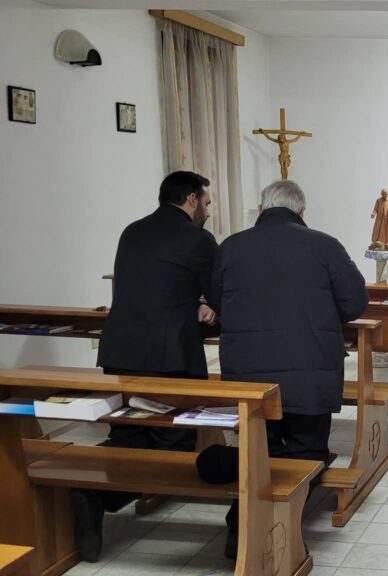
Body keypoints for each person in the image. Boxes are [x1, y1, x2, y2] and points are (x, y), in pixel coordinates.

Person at [205, 180, 368, 559]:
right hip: (310, 371)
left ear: (261, 210)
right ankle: (278, 531)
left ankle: (241, 522)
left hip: (248, 375)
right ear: (301, 212)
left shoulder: (231, 246)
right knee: (306, 452)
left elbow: (217, 300)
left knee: (256, 451)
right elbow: (355, 303)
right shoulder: (325, 245)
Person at [72, 171, 218, 562]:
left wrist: (193, 301)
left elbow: (152, 284)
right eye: (206, 203)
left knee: (128, 431)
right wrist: (208, 306)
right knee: (174, 440)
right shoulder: (197, 238)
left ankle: (92, 490)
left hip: (121, 347)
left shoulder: (132, 231)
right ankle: (103, 494)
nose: (208, 212)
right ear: (191, 199)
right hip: (169, 353)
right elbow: (216, 291)